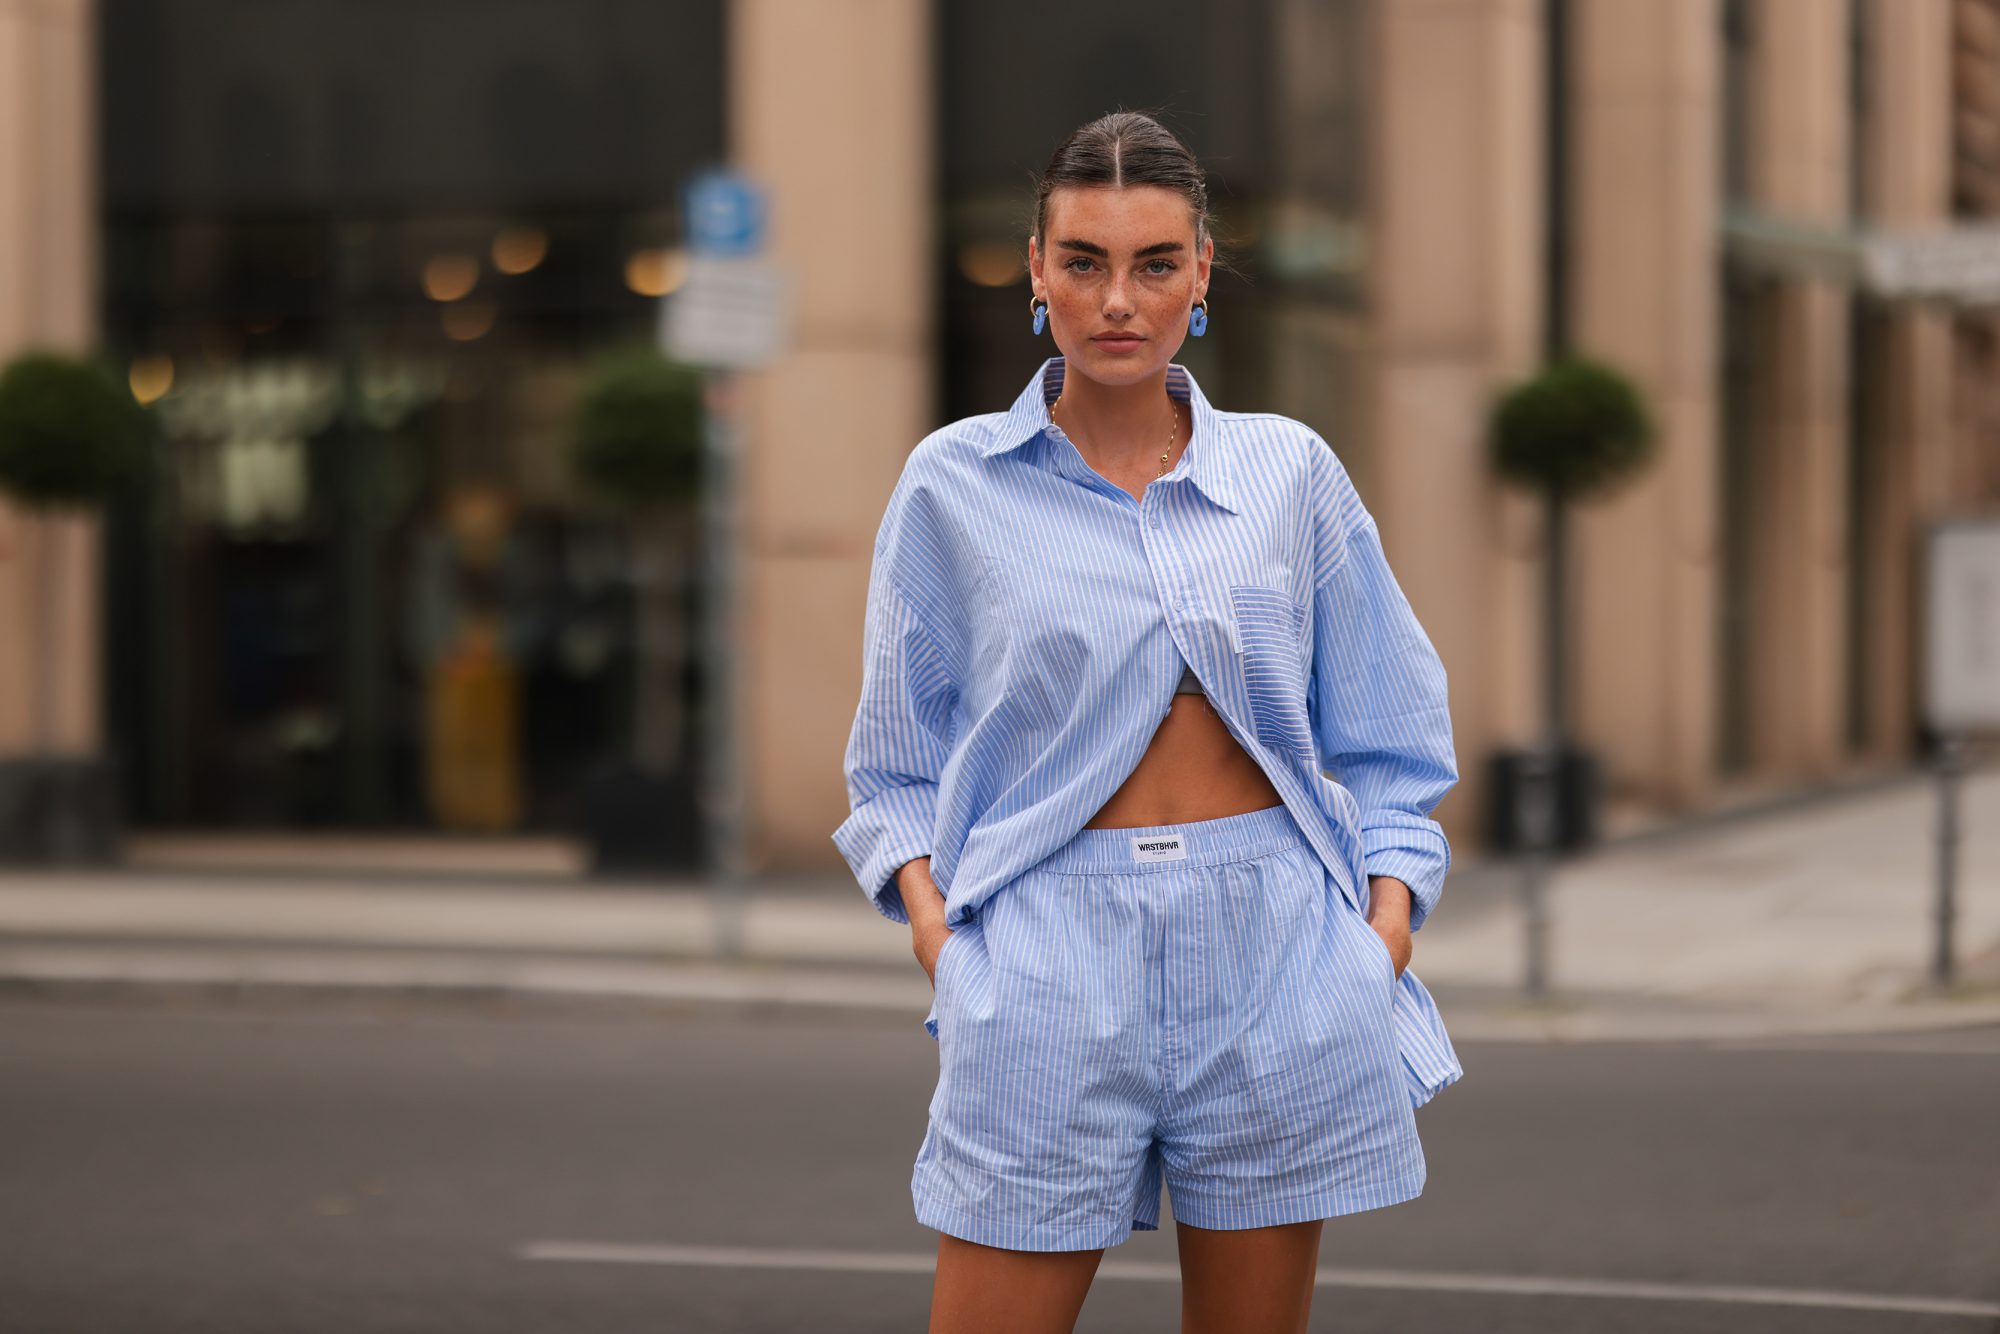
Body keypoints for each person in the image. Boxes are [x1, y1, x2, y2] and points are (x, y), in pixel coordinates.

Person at [832, 110, 1462, 1334]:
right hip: (1044, 954)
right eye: (1083, 261)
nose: (1117, 299)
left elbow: (1389, 732)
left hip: (1278, 946)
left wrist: (1375, 935)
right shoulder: (952, 482)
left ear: (1201, 274)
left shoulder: (1288, 471)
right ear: (1035, 270)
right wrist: (945, 950)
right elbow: (893, 763)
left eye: (1154, 263)